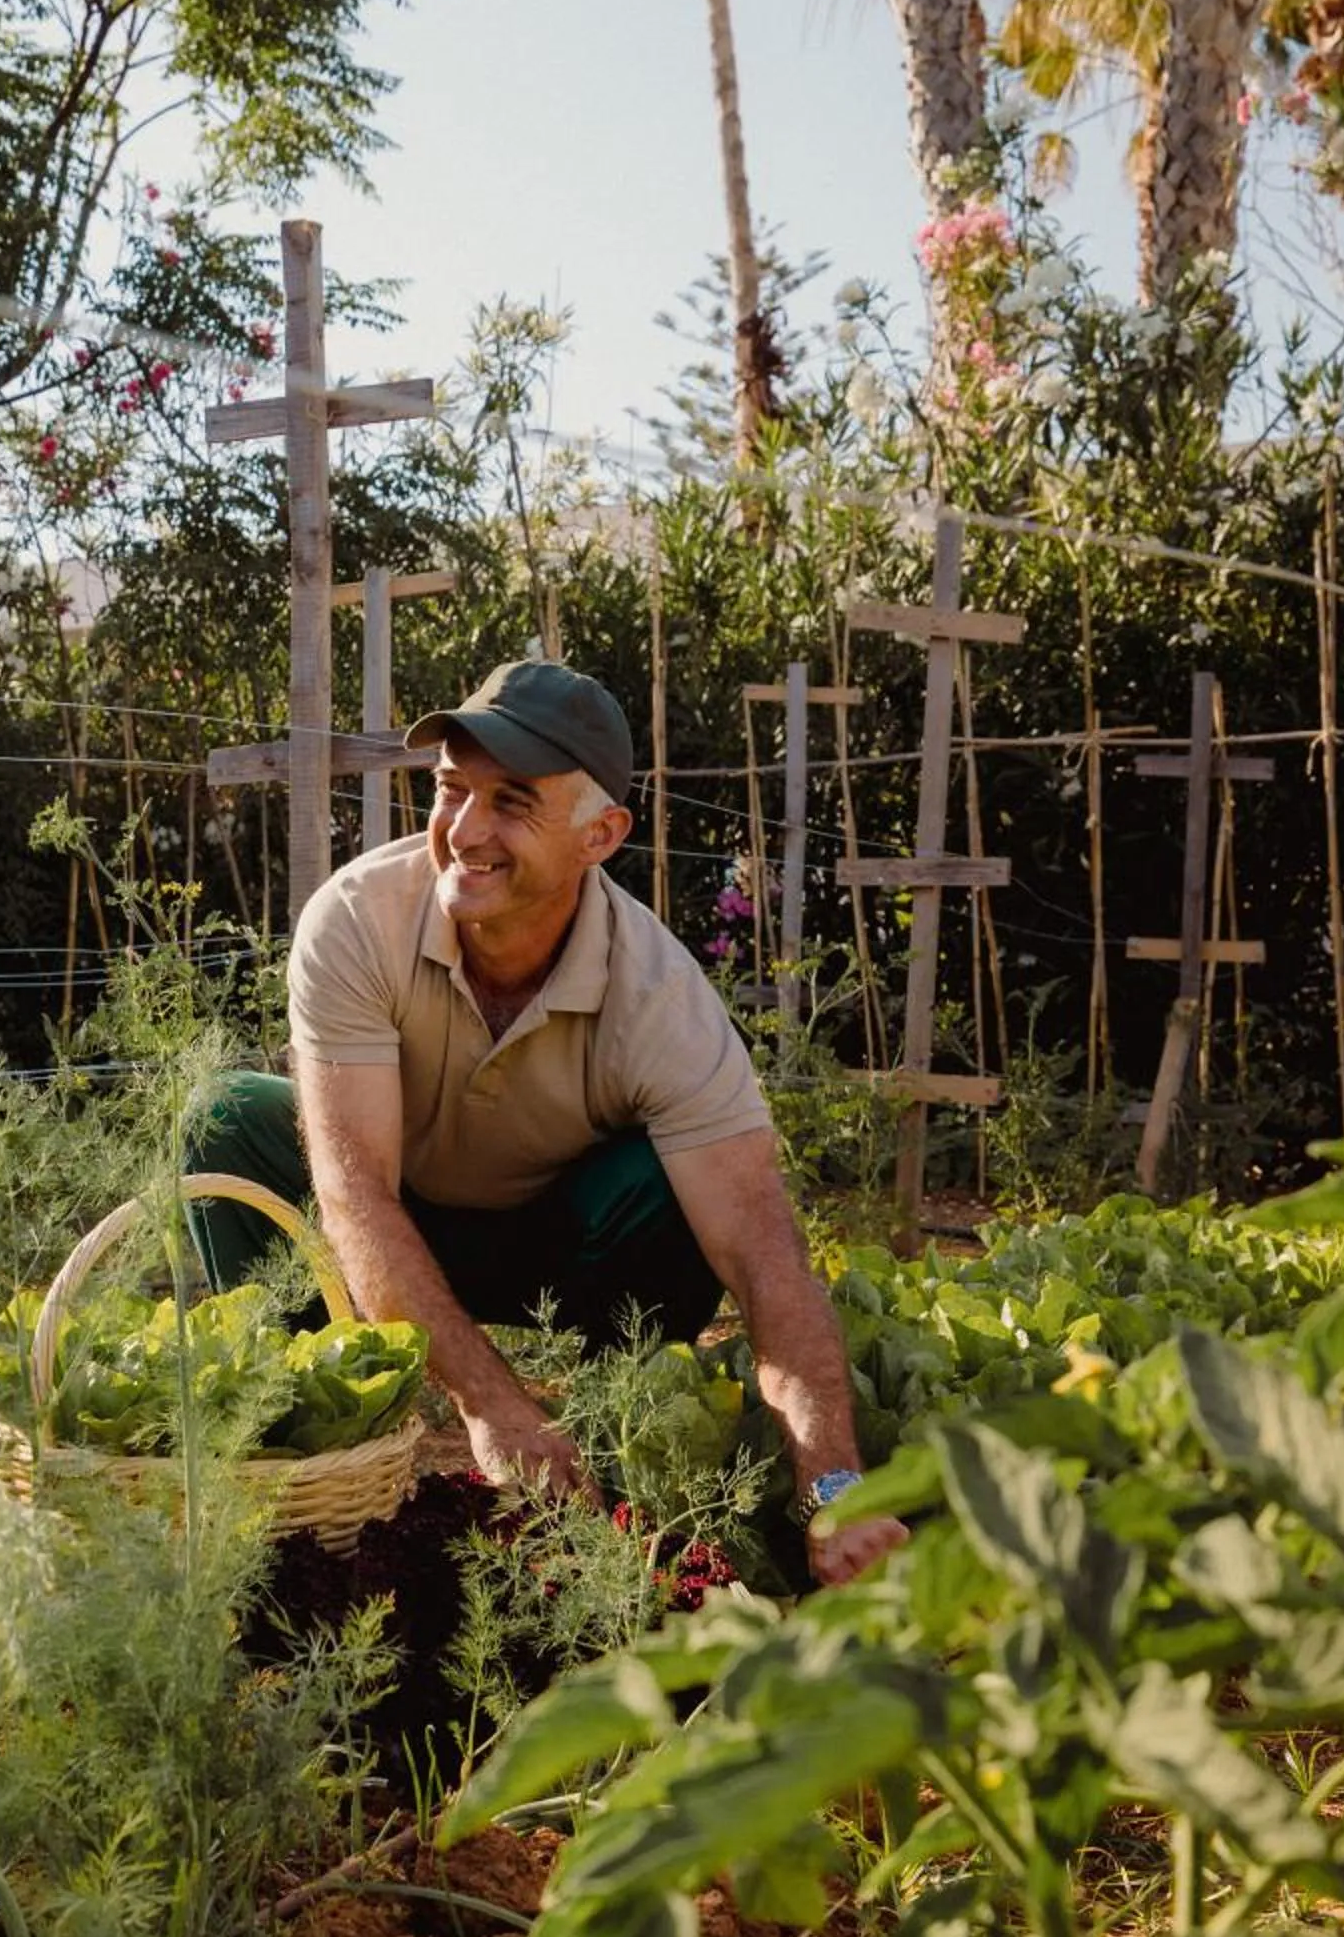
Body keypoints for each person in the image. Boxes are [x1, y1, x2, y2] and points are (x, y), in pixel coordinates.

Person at [191, 658, 907, 1590]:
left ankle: (610, 1468)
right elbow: (354, 1188)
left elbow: (763, 1255)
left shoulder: (659, 999)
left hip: (557, 1244)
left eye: (514, 803)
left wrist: (832, 1480)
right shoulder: (359, 922)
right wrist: (491, 1404)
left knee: (676, 1189)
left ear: (600, 834)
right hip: (389, 1221)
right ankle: (300, 1453)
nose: (466, 832)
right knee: (230, 1118)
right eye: (453, 790)